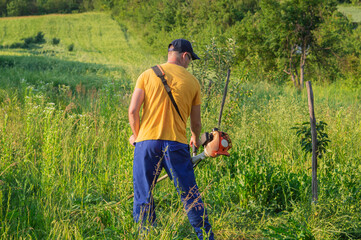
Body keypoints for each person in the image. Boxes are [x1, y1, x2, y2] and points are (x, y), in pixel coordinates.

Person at [128, 39, 214, 239]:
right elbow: (196, 124)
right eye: (190, 59)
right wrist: (195, 139)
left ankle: (146, 235)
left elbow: (133, 112)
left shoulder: (147, 75)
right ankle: (205, 237)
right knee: (190, 196)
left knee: (143, 195)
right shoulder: (193, 82)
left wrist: (138, 137)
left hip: (147, 144)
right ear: (185, 56)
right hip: (176, 145)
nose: (189, 63)